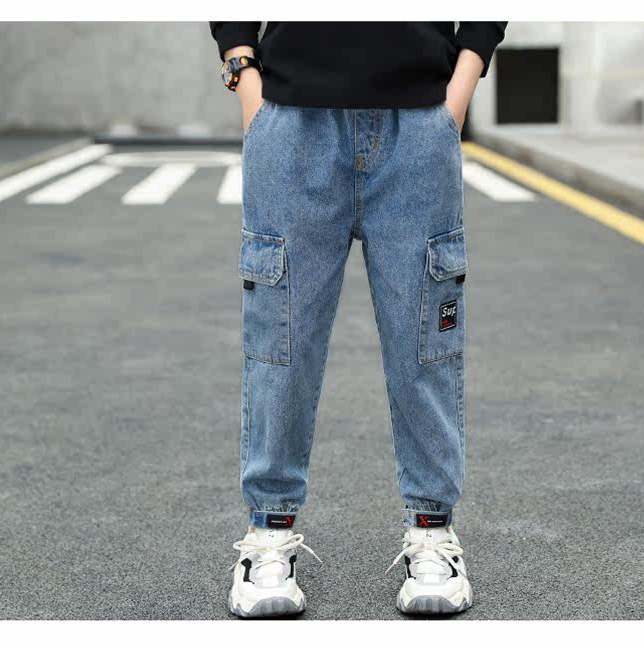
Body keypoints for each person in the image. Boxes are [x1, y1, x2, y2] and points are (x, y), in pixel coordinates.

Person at [209, 21, 507, 618]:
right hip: (292, 124)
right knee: (281, 342)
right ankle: (268, 535)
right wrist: (244, 75)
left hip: (418, 124)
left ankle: (432, 533)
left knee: (424, 344)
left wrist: (461, 87)